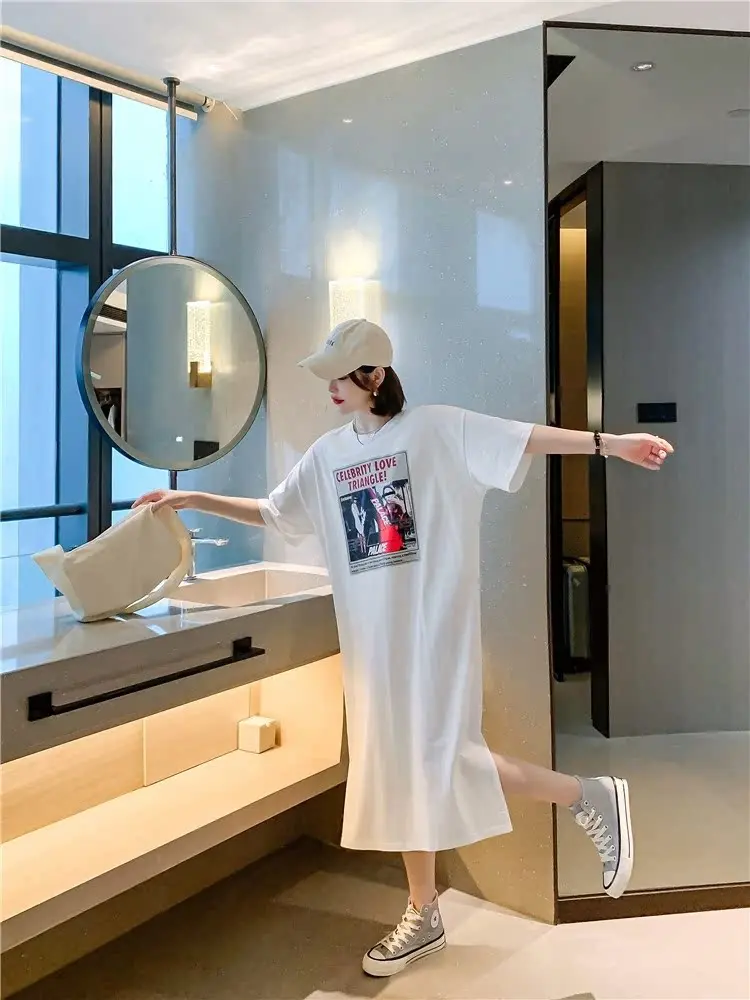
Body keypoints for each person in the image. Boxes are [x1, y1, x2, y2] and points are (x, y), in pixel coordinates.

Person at [135, 319, 673, 979]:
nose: (331, 390)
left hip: (433, 631)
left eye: (341, 377)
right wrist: (190, 497)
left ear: (376, 376)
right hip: (372, 641)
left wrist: (609, 444)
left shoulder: (436, 429)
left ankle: (585, 795)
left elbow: (523, 437)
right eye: (328, 378)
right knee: (398, 766)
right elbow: (274, 512)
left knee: (447, 756)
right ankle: (426, 910)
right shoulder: (328, 455)